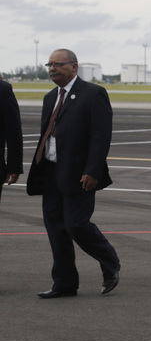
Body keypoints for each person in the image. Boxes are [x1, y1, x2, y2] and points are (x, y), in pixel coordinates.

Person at [26, 49, 120, 297]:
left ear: (74, 67)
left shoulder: (93, 94)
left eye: (58, 64)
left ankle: (109, 259)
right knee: (56, 229)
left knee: (76, 225)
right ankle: (65, 283)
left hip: (80, 174)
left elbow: (101, 137)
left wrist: (93, 171)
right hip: (51, 173)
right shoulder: (49, 98)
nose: (52, 69)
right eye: (50, 65)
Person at [1, 74, 23, 204]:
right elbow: (13, 131)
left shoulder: (3, 89)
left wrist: (14, 167)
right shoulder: (3, 88)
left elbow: (13, 131)